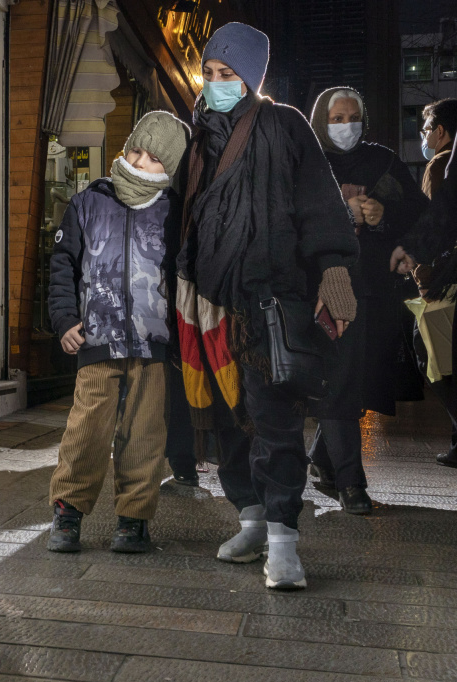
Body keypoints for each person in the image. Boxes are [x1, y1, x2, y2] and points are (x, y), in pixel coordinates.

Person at [170, 23, 359, 589]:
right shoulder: (194, 134)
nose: (217, 83)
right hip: (206, 303)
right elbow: (178, 215)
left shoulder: (284, 125)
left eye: (230, 75)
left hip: (269, 300)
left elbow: (320, 203)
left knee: (275, 421)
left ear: (252, 77)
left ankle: (284, 541)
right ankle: (250, 517)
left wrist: (334, 271)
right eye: (211, 72)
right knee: (226, 419)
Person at [47, 111, 190, 554]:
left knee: (146, 433)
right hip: (97, 339)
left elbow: (184, 276)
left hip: (153, 343)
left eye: (153, 160)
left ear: (168, 168)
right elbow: (62, 266)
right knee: (86, 428)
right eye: (136, 151)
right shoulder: (88, 201)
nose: (140, 163)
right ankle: (67, 512)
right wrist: (65, 318)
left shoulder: (174, 212)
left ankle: (133, 518)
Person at [306, 87, 429, 514]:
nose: (345, 126)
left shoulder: (383, 162)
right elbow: (294, 216)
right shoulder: (308, 160)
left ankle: (323, 460)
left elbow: (416, 211)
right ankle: (350, 482)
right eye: (336, 118)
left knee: (359, 380)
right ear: (322, 120)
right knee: (339, 380)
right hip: (327, 289)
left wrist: (383, 217)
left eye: (352, 117)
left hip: (375, 289)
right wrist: (347, 212)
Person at [412, 98, 457, 467]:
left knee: (428, 351)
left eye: (426, 130)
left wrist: (423, 277)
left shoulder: (440, 165)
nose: (424, 138)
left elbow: (432, 228)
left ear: (440, 132)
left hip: (446, 280)